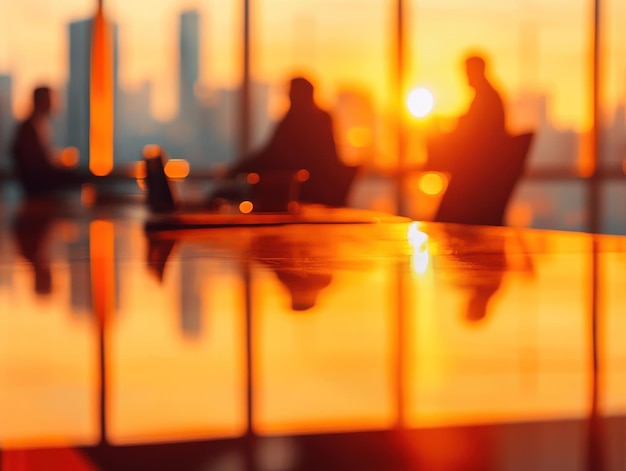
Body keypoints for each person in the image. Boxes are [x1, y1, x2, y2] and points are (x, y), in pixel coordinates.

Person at [214, 76, 357, 208]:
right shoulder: (322, 119)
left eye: (291, 93)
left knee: (223, 197)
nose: (289, 97)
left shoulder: (294, 121)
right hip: (315, 191)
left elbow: (270, 154)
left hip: (300, 191)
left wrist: (236, 170)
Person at [426, 53, 508, 171]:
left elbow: (472, 130)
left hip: (479, 159)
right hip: (481, 157)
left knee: (435, 141)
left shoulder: (485, 98)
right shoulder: (487, 95)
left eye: (467, 72)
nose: (465, 77)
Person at [10, 86, 83, 197]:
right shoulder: (28, 127)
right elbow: (30, 160)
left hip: (41, 186)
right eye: (49, 99)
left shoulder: (39, 124)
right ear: (39, 100)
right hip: (38, 188)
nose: (52, 103)